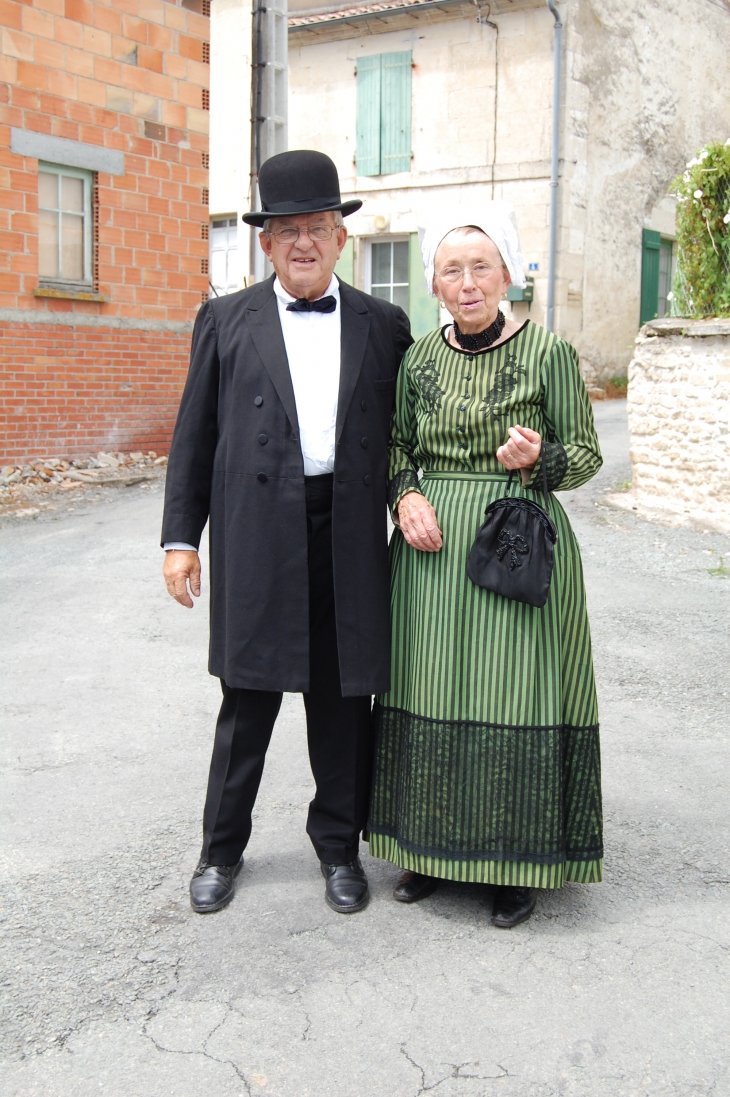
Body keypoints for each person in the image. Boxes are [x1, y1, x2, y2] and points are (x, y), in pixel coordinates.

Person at [161, 150, 412, 916]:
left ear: (341, 239)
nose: (304, 242)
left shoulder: (385, 323)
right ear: (265, 244)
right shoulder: (225, 319)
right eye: (287, 230)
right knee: (249, 702)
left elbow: (413, 433)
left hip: (349, 530)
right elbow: (193, 437)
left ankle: (338, 847)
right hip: (257, 531)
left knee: (343, 701)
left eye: (318, 227)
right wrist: (180, 538)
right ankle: (220, 849)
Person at [366, 204, 603, 928]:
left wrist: (540, 460)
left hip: (516, 541)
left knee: (513, 695)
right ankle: (429, 850)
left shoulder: (548, 354)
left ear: (506, 274)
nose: (467, 283)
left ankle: (515, 862)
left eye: (481, 267)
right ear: (434, 285)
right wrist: (405, 495)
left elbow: (588, 455)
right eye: (451, 270)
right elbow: (397, 446)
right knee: (429, 687)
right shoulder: (417, 360)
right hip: (430, 552)